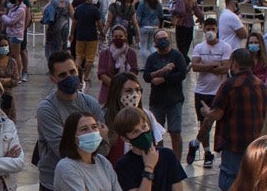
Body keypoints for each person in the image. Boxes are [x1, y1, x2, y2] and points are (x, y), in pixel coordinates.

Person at [35, 52, 105, 191]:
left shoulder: (90, 103)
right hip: (55, 184)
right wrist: (98, 139)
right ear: (53, 79)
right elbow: (63, 150)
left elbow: (104, 147)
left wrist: (98, 141)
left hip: (88, 180)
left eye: (72, 71)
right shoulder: (47, 109)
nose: (69, 77)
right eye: (62, 75)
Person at [203, 49, 267, 191]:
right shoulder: (260, 84)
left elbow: (217, 114)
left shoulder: (230, 85)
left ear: (234, 64)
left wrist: (207, 112)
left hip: (234, 142)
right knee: (251, 179)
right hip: (255, 142)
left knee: (229, 182)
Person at [187, 17, 231, 168]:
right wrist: (213, 64)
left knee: (212, 120)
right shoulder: (199, 47)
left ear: (217, 29)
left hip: (219, 91)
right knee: (204, 122)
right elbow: (195, 67)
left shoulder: (225, 47)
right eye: (208, 29)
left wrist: (205, 66)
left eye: (213, 29)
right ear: (204, 29)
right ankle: (207, 152)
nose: (210, 32)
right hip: (201, 90)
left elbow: (225, 68)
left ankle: (195, 143)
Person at [141, 28, 188, 159]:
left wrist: (163, 79)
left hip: (174, 99)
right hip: (157, 101)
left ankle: (176, 162)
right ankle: (159, 159)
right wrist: (162, 71)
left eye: (165, 38)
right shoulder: (152, 58)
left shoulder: (177, 56)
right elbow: (146, 76)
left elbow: (182, 74)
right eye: (160, 39)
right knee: (157, 134)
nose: (163, 41)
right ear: (155, 42)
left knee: (175, 132)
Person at [96, 24, 139, 104]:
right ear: (112, 37)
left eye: (120, 36)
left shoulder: (131, 53)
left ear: (125, 37)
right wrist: (116, 86)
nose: (118, 38)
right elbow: (101, 73)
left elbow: (134, 71)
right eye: (115, 37)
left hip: (127, 94)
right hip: (108, 92)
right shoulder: (104, 53)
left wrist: (125, 86)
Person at [72, 0, 103, 71]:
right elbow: (99, 21)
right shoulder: (94, 7)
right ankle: (85, 76)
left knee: (78, 55)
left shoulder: (78, 2)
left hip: (80, 32)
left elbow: (74, 20)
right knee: (90, 58)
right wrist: (102, 32)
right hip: (91, 34)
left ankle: (78, 73)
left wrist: (72, 32)